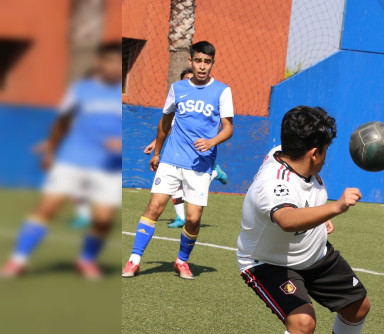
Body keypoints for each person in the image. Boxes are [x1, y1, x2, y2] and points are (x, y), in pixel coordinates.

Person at [237, 106, 369, 334]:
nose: (326, 158)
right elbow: (286, 219)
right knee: (302, 319)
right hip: (268, 262)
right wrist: (334, 208)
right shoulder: (273, 182)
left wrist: (319, 219)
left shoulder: (287, 154)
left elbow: (302, 204)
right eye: (324, 151)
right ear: (313, 153)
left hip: (313, 252)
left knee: (358, 306)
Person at [1, 42, 123, 279]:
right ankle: (18, 261)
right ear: (100, 63)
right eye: (110, 61)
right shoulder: (81, 90)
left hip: (108, 165)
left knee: (103, 220)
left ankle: (86, 259)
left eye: (119, 63)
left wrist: (121, 143)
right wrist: (51, 149)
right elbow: (63, 121)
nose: (115, 67)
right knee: (47, 207)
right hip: (73, 158)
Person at [122, 41, 233, 279]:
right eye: (199, 61)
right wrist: (157, 151)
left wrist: (212, 142)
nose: (203, 66)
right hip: (171, 160)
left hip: (201, 165)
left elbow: (228, 128)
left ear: (212, 63)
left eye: (208, 62)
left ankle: (182, 261)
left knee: (193, 219)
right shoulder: (178, 88)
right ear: (190, 61)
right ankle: (134, 260)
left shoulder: (223, 91)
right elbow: (165, 121)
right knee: (154, 207)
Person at [143, 68, 228, 229]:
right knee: (173, 187)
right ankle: (180, 216)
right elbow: (167, 127)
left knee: (192, 208)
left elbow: (219, 126)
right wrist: (155, 145)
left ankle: (214, 172)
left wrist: (211, 142)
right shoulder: (179, 100)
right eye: (187, 79)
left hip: (198, 156)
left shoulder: (212, 97)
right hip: (176, 151)